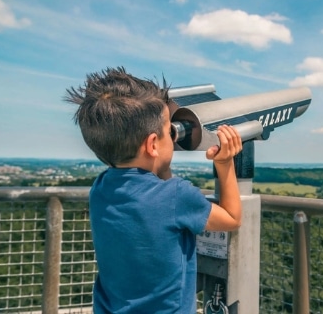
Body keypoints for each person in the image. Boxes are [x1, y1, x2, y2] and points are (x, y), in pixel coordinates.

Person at [65, 67, 243, 314]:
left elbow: (149, 189)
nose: (173, 135)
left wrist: (162, 156)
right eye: (169, 130)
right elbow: (232, 218)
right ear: (151, 144)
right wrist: (225, 163)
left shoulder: (101, 188)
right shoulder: (176, 196)